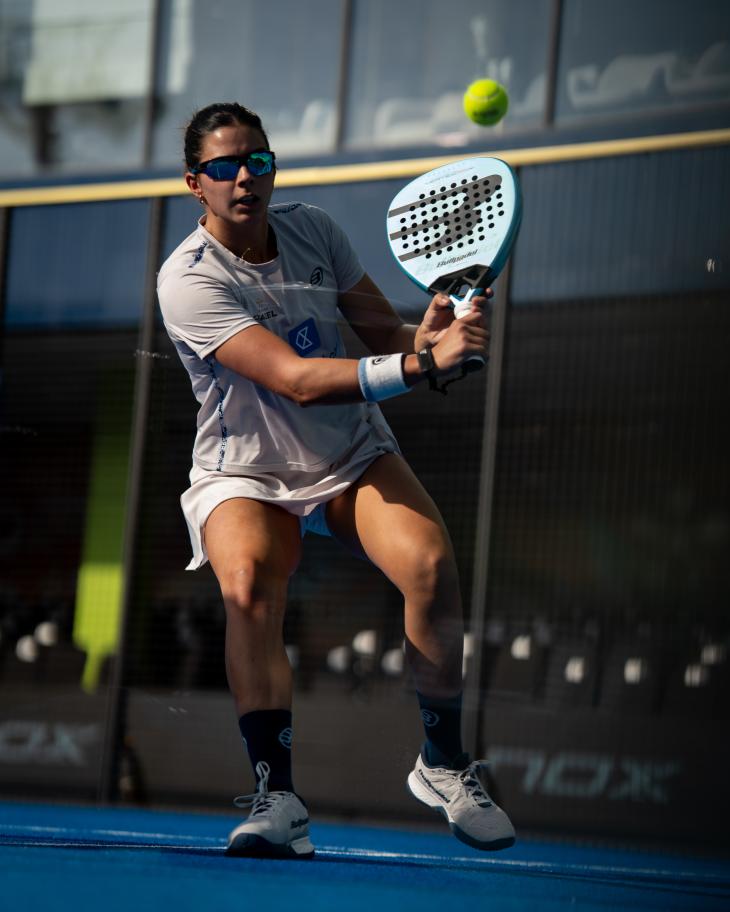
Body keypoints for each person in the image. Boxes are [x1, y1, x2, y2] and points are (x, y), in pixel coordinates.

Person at [157, 102, 515, 859]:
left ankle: (444, 763)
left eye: (257, 160)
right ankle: (278, 798)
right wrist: (421, 365)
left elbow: (384, 331)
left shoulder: (315, 230)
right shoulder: (186, 280)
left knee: (430, 568)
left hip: (348, 455)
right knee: (249, 586)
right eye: (224, 166)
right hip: (245, 469)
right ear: (195, 183)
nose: (244, 177)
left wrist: (429, 336)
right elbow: (294, 379)